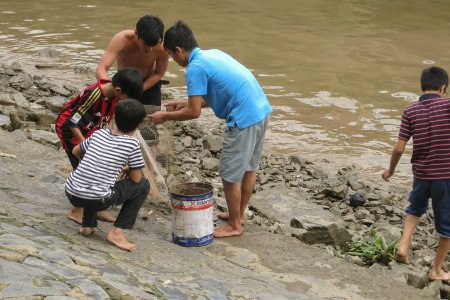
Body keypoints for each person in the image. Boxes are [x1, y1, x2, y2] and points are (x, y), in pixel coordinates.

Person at [149, 21, 272, 238]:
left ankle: (235, 225)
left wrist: (165, 116)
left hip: (244, 117)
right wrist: (183, 102)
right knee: (249, 168)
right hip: (260, 109)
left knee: (229, 174)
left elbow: (194, 113)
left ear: (178, 50)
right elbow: (218, 94)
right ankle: (239, 215)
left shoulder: (194, 68)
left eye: (171, 55)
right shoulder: (212, 54)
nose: (173, 61)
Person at [382, 66, 450, 281]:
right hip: (445, 177)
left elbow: (399, 148)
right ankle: (436, 270)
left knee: (415, 209)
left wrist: (390, 170)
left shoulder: (410, 111)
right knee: (447, 227)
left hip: (421, 174)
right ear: (443, 88)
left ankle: (403, 246)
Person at [56, 68, 143, 225]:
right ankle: (76, 210)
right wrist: (88, 146)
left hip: (89, 129)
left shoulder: (113, 96)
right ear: (118, 90)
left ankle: (97, 207)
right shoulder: (94, 94)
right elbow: (73, 121)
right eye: (126, 98)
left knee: (95, 166)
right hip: (70, 131)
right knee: (83, 164)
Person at [65, 99, 150, 252]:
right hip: (96, 198)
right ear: (138, 124)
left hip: (72, 192)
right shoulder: (132, 144)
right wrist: (129, 169)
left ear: (115, 118)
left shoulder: (99, 134)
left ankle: (88, 225)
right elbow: (136, 179)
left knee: (97, 181)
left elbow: (76, 151)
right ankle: (117, 233)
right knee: (144, 185)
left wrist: (96, 165)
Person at [95, 15, 169, 107]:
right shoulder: (122, 39)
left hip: (148, 83)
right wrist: (107, 88)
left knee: (152, 115)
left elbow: (159, 73)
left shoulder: (163, 47)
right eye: (146, 44)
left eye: (154, 45)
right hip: (124, 82)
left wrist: (139, 89)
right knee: (114, 111)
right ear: (136, 33)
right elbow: (102, 68)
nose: (150, 49)